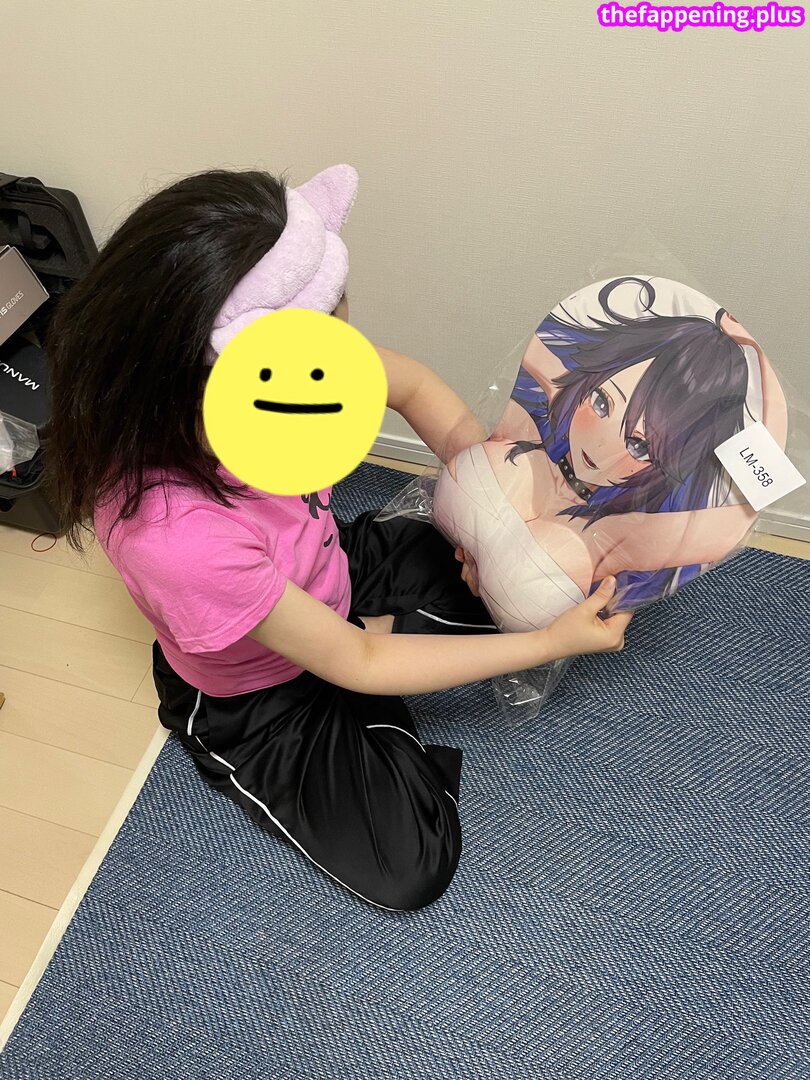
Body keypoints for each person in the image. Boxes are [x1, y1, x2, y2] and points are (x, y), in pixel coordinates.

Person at [44, 165, 631, 913]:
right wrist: (547, 647)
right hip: (260, 689)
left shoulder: (286, 371)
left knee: (528, 580)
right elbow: (359, 660)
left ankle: (390, 632)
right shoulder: (174, 535)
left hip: (330, 570)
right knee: (413, 863)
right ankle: (366, 687)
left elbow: (412, 387)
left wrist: (496, 504)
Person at [438, 276, 788, 631]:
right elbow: (547, 352)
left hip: (502, 641)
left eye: (639, 445)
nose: (603, 446)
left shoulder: (622, 534)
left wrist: (756, 366)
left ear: (671, 462)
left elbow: (740, 509)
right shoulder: (534, 417)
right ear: (591, 379)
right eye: (602, 403)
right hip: (426, 561)